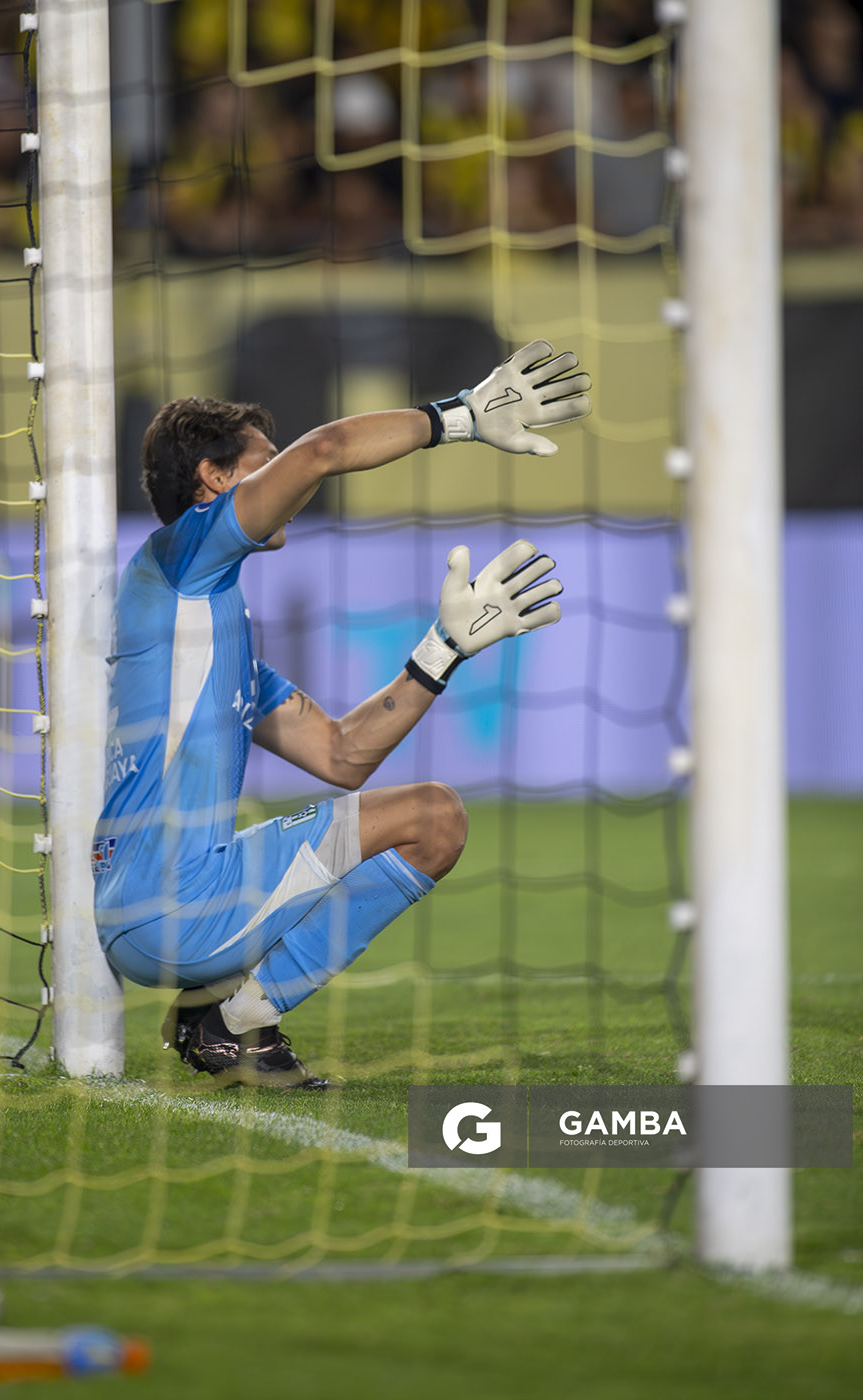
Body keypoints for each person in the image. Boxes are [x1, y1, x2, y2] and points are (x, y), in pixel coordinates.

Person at [91, 340, 591, 1088]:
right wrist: (456, 419)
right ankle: (231, 1024)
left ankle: (229, 1022)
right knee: (433, 817)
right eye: (267, 460)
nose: (289, 476)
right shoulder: (182, 555)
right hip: (174, 911)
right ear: (213, 481)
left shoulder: (208, 623)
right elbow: (324, 450)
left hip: (160, 908)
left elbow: (342, 755)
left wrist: (442, 647)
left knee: (432, 819)